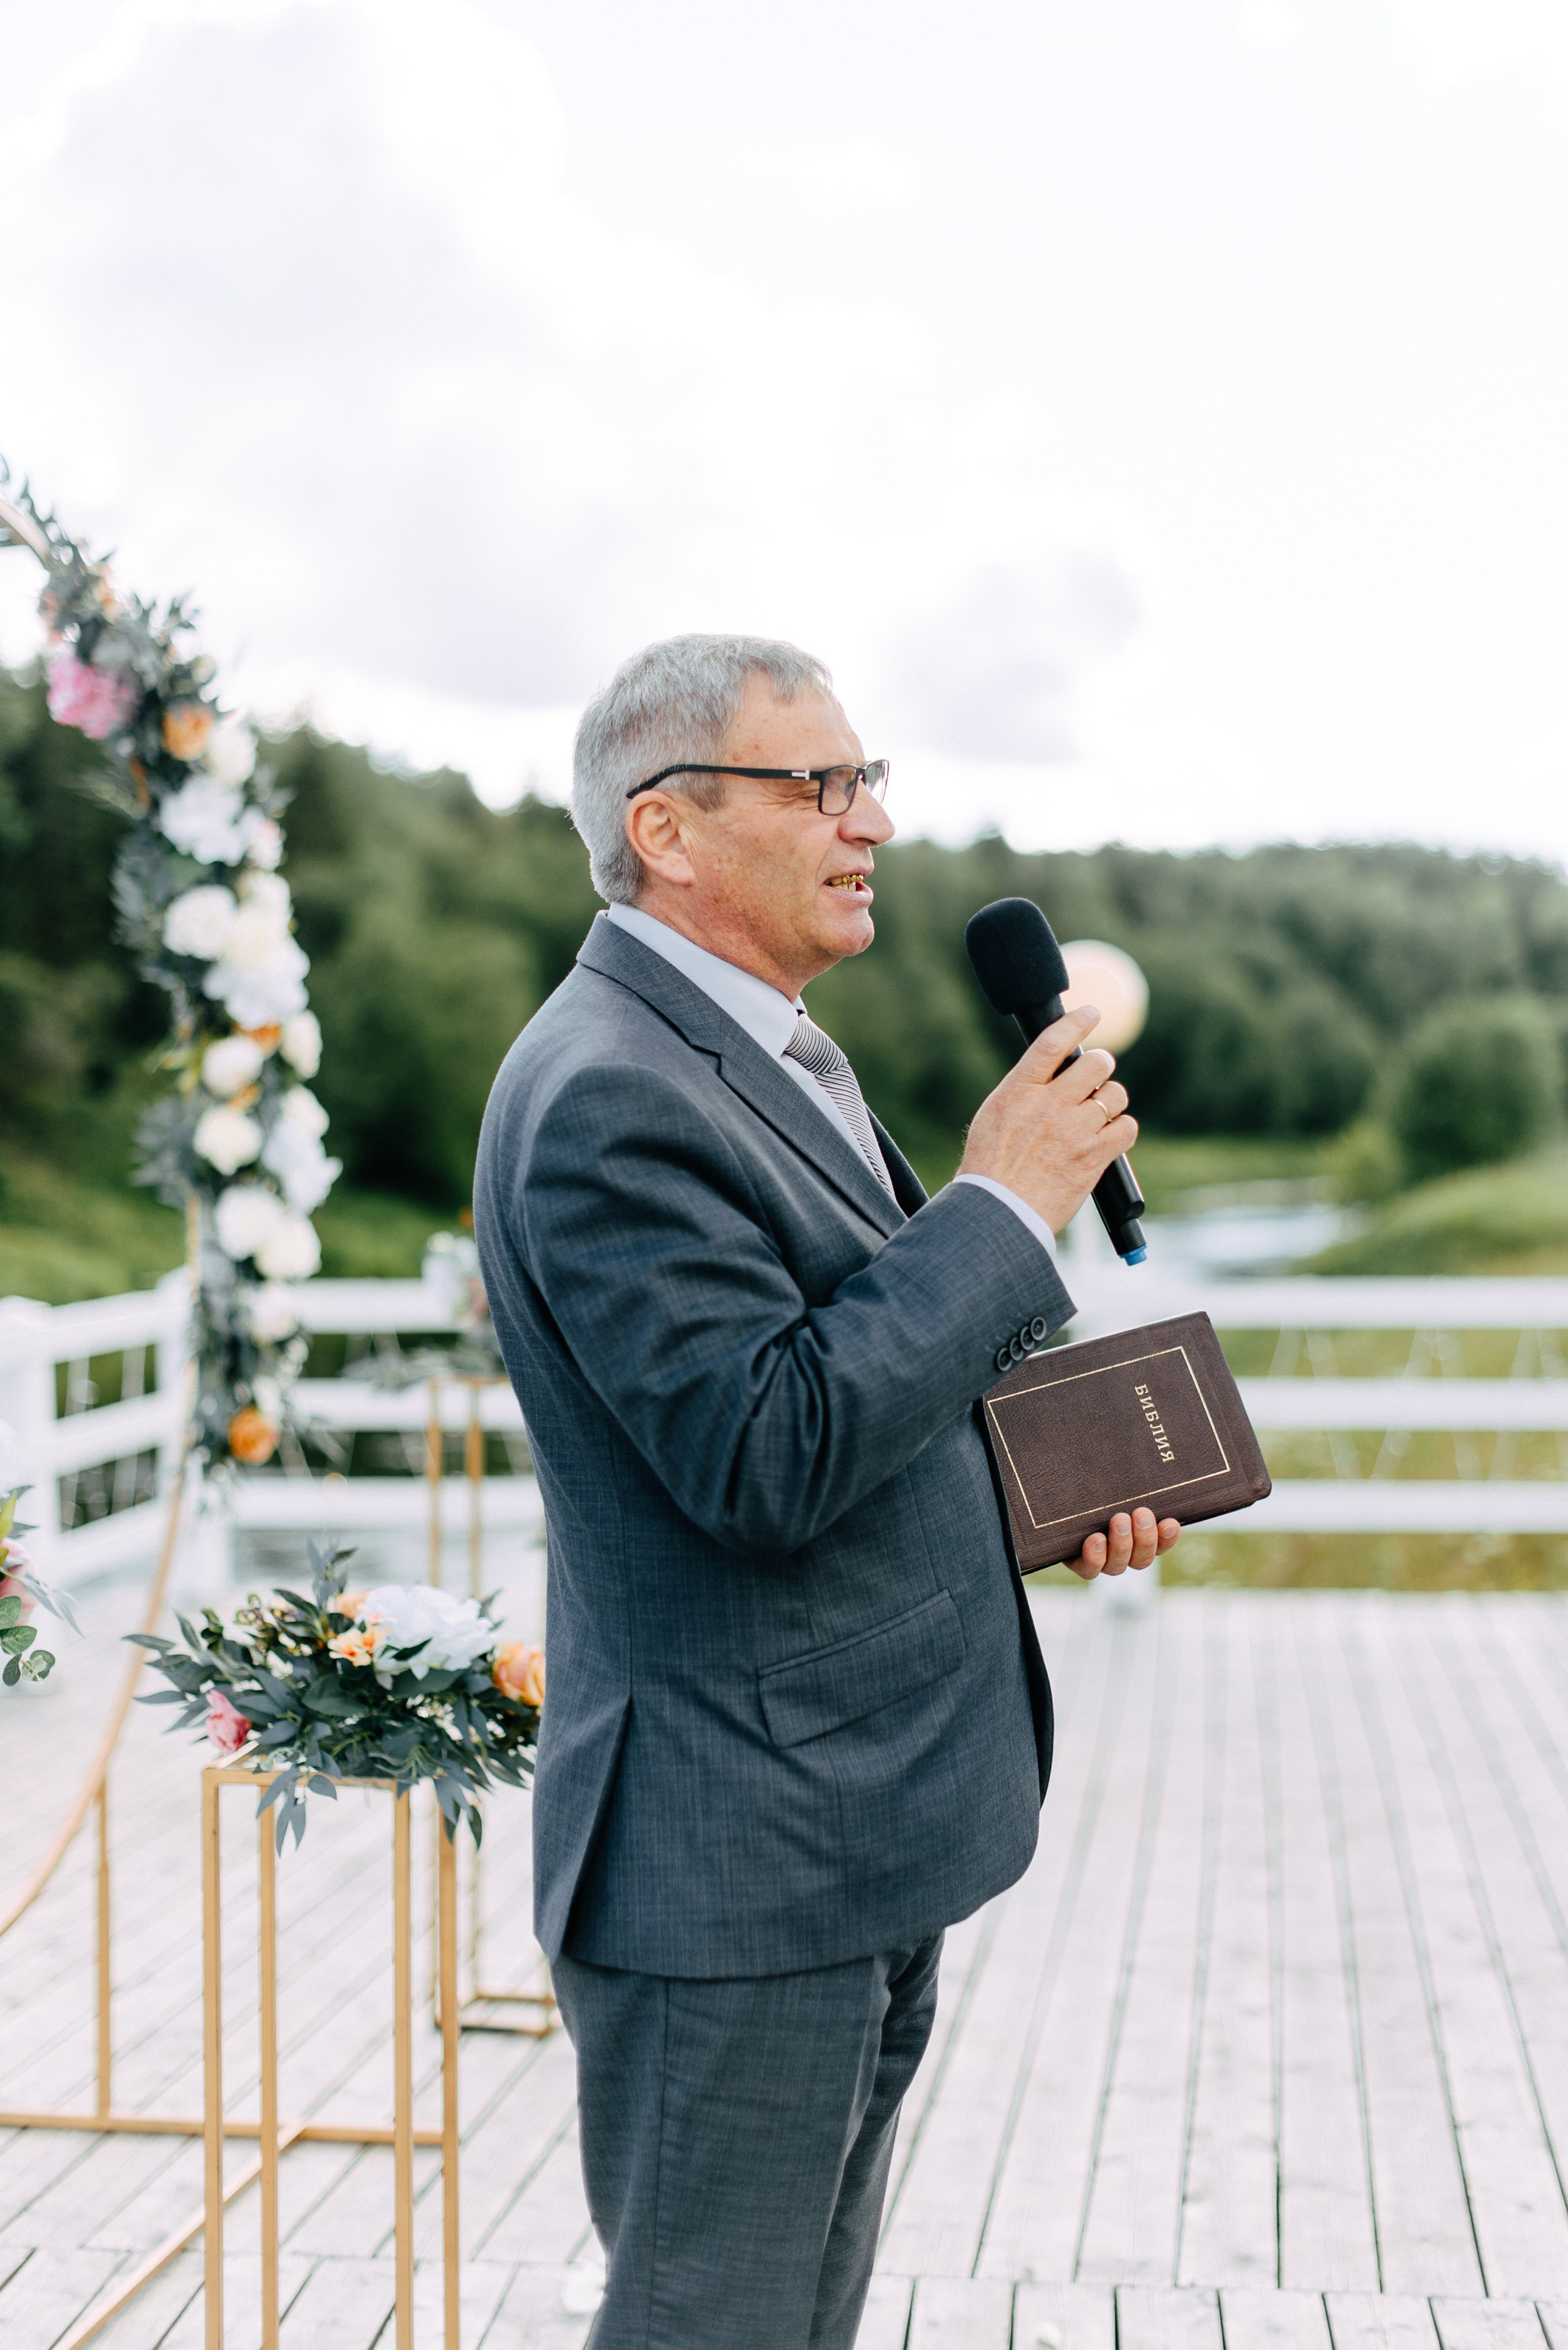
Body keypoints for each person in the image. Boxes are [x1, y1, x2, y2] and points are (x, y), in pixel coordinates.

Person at [473, 634, 1179, 2349]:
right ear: (670, 831)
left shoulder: (767, 1043)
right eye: (819, 785)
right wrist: (1003, 1206)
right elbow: (760, 1453)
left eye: (868, 781)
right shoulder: (605, 1098)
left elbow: (850, 1369)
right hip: (735, 1863)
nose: (865, 823)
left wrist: (1048, 1474)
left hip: (848, 1827)